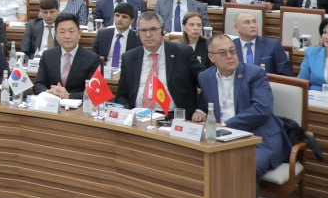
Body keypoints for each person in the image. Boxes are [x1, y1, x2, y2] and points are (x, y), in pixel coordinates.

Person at [193, 34, 292, 180]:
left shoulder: (255, 74)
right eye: (223, 53)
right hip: (223, 137)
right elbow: (207, 100)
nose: (230, 56)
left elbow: (262, 110)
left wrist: (226, 125)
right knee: (197, 162)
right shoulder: (205, 77)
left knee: (245, 168)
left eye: (232, 51)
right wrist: (200, 110)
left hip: (259, 138)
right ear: (211, 57)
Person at [114, 11, 201, 117]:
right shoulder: (129, 58)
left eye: (153, 29)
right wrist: (125, 111)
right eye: (143, 30)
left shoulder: (183, 53)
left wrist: (201, 110)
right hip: (137, 116)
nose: (148, 34)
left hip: (172, 117)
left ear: (162, 30)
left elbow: (207, 82)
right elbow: (122, 95)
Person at [34, 13, 100, 100]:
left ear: (79, 33)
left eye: (71, 31)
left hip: (78, 106)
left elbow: (95, 92)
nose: (67, 36)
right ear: (56, 36)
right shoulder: (47, 55)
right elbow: (38, 84)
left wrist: (69, 95)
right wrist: (49, 92)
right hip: (51, 103)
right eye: (62, 32)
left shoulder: (92, 59)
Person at [232, 11, 292, 76]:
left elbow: (285, 75)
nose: (252, 25)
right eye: (247, 22)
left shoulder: (273, 45)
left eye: (254, 22)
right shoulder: (231, 46)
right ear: (236, 27)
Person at [93, 2, 141, 71]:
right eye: (117, 15)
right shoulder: (102, 34)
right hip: (104, 70)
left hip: (126, 71)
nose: (120, 19)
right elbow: (94, 56)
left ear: (132, 21)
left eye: (124, 17)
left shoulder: (137, 38)